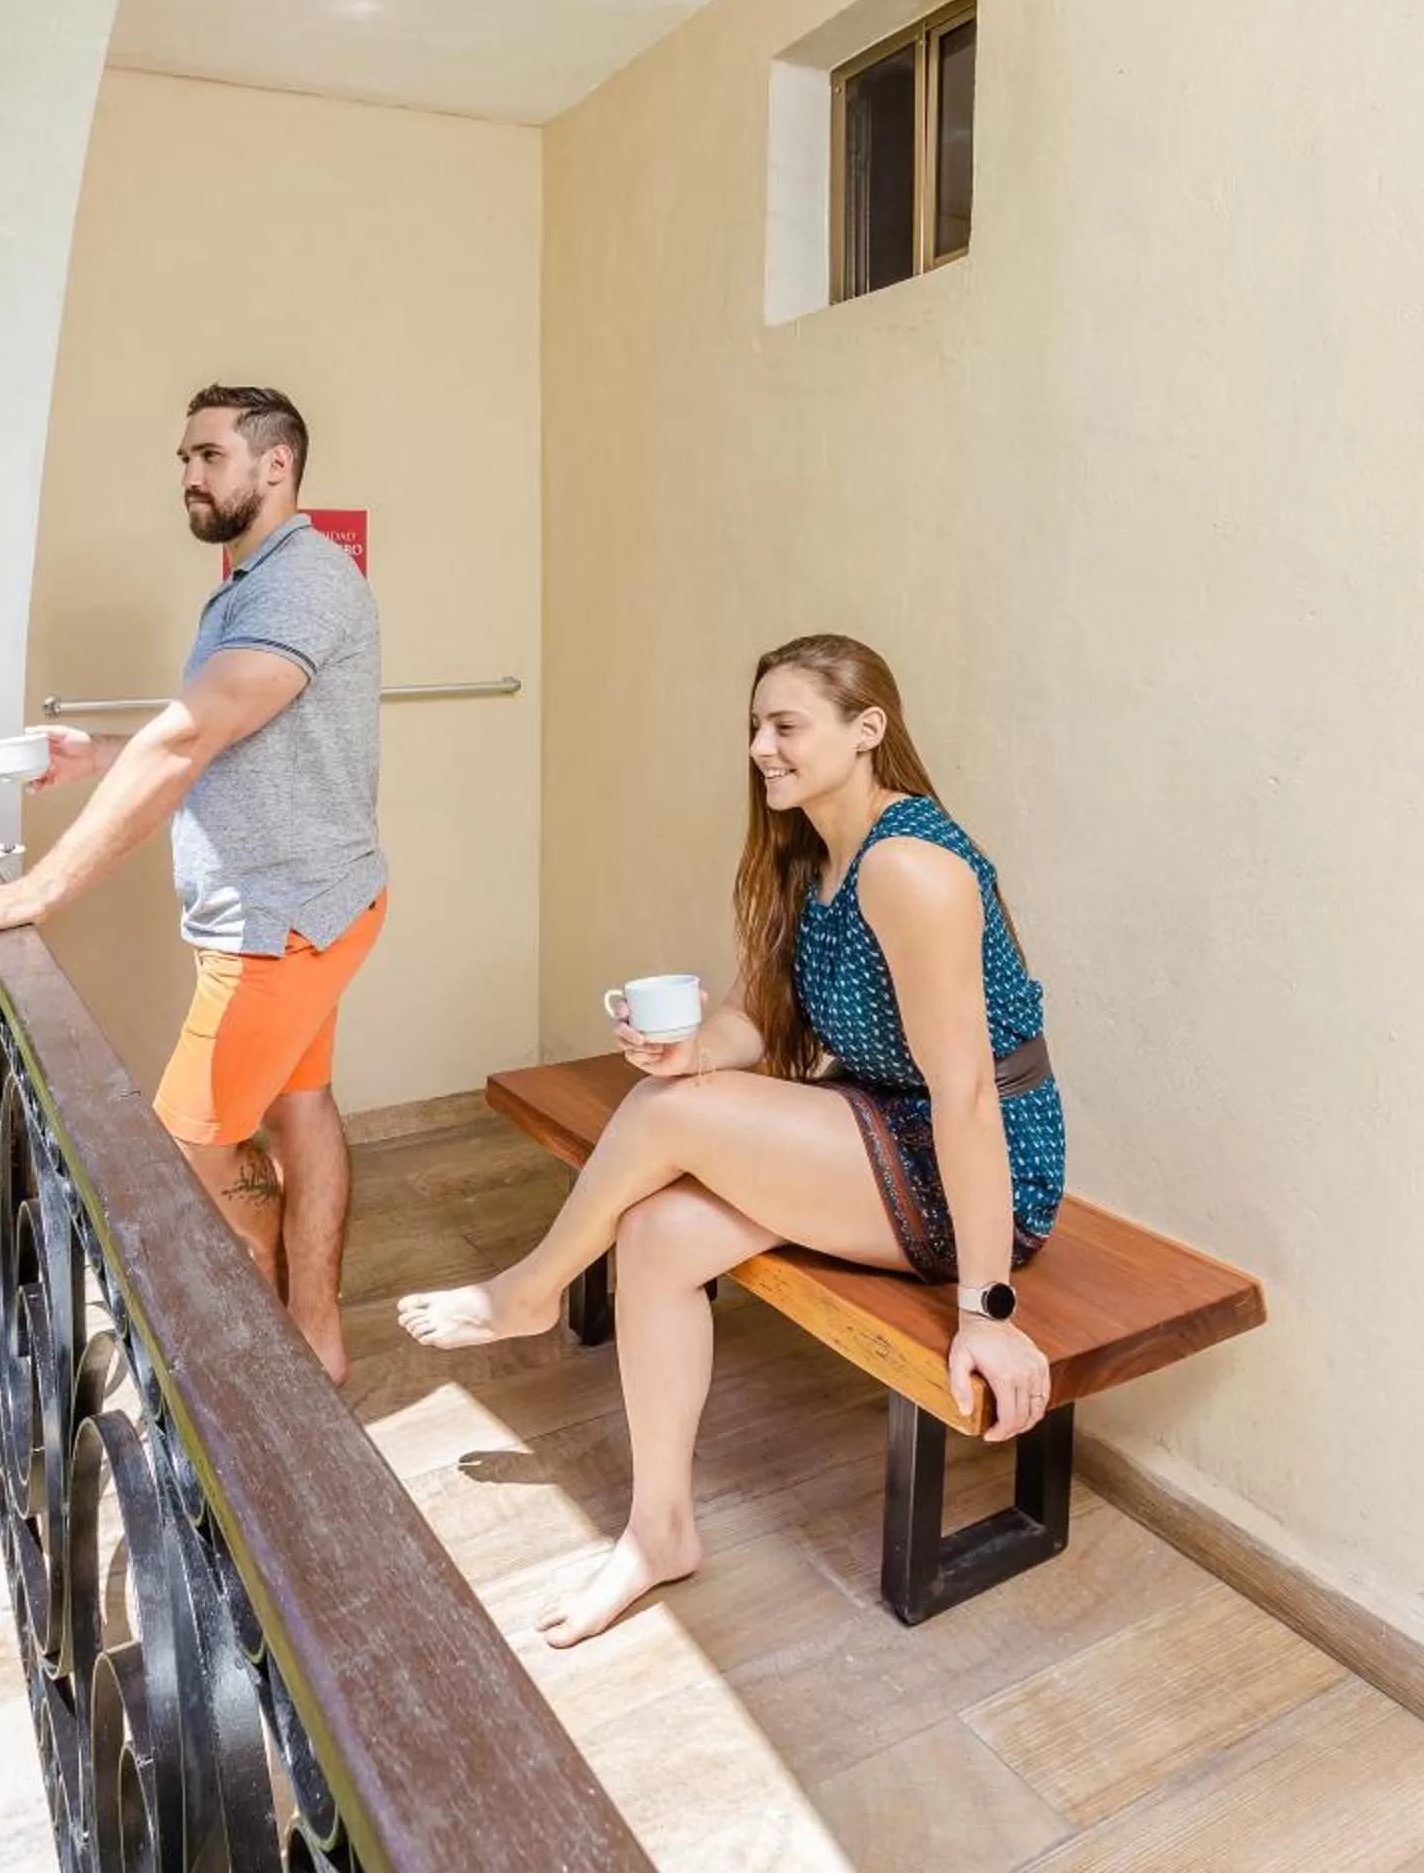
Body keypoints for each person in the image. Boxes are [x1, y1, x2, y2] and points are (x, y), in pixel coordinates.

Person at [397, 633, 1063, 1645]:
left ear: (867, 730)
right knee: (657, 1232)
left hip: (978, 1171)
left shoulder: (910, 866)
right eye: (756, 726)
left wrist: (987, 1310)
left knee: (670, 1117)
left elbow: (968, 1097)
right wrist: (686, 1049)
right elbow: (752, 1021)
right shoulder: (806, 858)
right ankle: (658, 1529)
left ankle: (528, 1290)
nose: (761, 748)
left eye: (786, 726)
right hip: (880, 1126)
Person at [0, 384, 385, 1383]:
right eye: (185, 458)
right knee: (300, 1106)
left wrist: (30, 893)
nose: (189, 475)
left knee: (187, 1153)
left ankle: (267, 1349)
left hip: (280, 921)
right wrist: (96, 754)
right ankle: (312, 1339)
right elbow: (224, 733)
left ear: (276, 464)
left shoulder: (300, 582)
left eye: (210, 455)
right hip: (303, 904)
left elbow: (186, 740)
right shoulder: (251, 583)